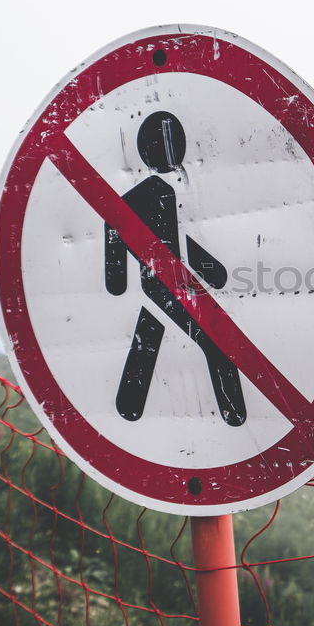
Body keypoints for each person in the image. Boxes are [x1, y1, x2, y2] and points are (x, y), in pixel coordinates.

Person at [104, 111, 246, 427]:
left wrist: (118, 278)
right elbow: (175, 243)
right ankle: (236, 415)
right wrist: (213, 272)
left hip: (156, 283)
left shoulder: (133, 200)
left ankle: (128, 407)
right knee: (218, 343)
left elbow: (168, 245)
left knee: (147, 339)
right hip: (170, 285)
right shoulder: (159, 194)